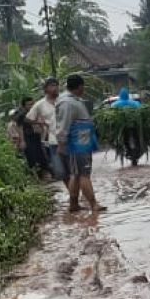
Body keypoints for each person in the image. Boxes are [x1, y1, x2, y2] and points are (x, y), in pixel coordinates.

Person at [56, 74, 106, 213]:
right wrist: (61, 143)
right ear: (80, 87)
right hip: (77, 142)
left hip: (82, 140)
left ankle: (74, 204)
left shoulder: (73, 100)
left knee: (77, 174)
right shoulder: (67, 102)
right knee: (84, 174)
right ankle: (93, 204)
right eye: (83, 87)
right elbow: (64, 124)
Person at [29, 78, 67, 185]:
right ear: (46, 89)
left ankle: (75, 195)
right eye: (51, 86)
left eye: (56, 85)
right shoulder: (39, 104)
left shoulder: (64, 100)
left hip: (70, 139)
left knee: (75, 171)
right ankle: (73, 195)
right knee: (61, 172)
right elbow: (28, 118)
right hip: (54, 141)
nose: (55, 88)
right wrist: (40, 122)